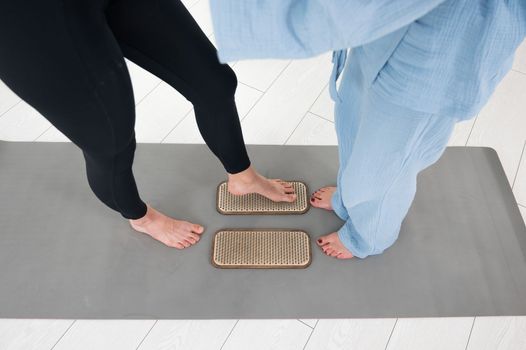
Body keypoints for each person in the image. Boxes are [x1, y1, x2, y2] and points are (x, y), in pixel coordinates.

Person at [208, 0, 526, 258]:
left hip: (447, 43)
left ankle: (368, 237)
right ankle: (349, 198)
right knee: (353, 118)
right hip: (383, 26)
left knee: (383, 165)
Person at [0, 0, 296, 250]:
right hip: (29, 17)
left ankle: (242, 177)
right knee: (111, 140)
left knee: (214, 82)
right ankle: (142, 218)